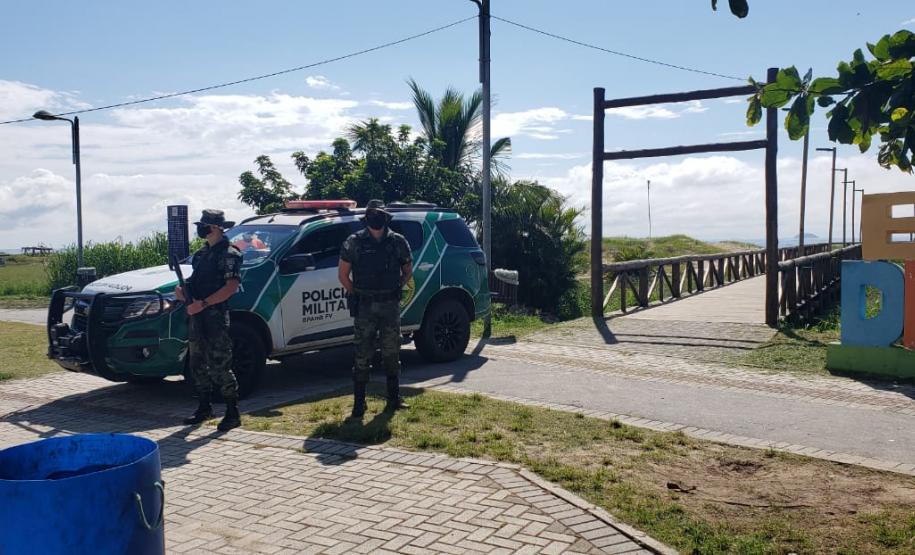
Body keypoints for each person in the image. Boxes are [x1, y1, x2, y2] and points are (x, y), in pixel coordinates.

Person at [338, 199, 413, 418]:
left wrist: (397, 285)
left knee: (392, 350)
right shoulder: (354, 242)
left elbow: (407, 269)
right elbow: (343, 275)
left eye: (379, 214)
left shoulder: (397, 241)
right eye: (372, 215)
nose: (376, 219)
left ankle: (393, 398)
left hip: (389, 305)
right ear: (366, 218)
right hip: (365, 307)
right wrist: (357, 293)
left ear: (385, 217)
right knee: (362, 353)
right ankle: (359, 404)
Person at [175, 209, 244, 431]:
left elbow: (231, 287)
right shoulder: (201, 254)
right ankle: (204, 407)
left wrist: (203, 304)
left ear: (215, 228)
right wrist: (182, 291)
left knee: (220, 364)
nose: (201, 229)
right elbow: (195, 280)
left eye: (204, 225)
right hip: (197, 315)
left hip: (214, 317)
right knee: (197, 363)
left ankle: (232, 412)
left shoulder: (230, 253)